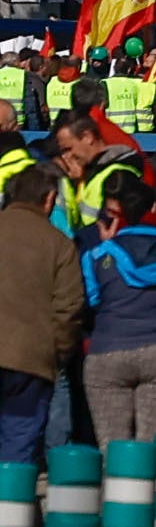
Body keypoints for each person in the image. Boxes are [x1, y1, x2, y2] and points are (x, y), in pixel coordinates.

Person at [76, 173, 156, 446]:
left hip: (108, 350)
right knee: (152, 444)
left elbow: (91, 302)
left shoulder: (98, 254)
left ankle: (114, 487)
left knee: (112, 446)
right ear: (154, 208)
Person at [0, 154, 81, 470]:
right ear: (49, 199)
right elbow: (69, 308)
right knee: (18, 449)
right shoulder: (59, 245)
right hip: (30, 361)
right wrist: (57, 351)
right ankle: (9, 512)